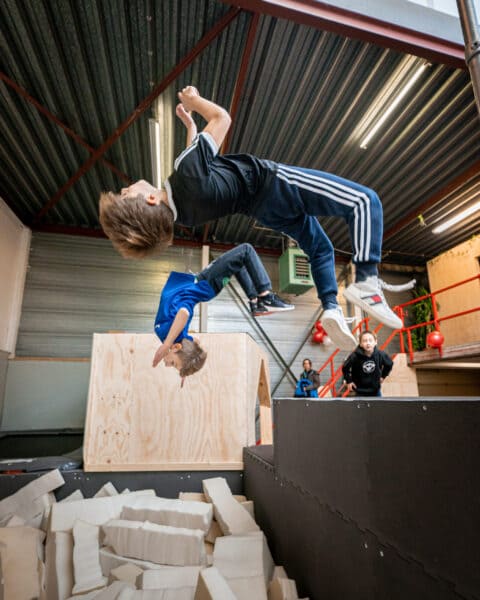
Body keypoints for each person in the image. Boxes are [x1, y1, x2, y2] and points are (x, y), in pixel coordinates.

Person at [99, 85, 403, 351]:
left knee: (320, 248)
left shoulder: (185, 215)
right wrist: (195, 102)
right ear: (151, 199)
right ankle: (366, 279)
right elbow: (221, 119)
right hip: (275, 183)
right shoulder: (186, 172)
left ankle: (332, 308)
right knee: (364, 200)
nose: (126, 187)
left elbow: (194, 160)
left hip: (265, 211)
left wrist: (190, 125)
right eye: (127, 194)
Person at [152, 242, 293, 379]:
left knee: (238, 264)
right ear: (176, 347)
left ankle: (254, 303)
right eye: (173, 363)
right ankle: (266, 296)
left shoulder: (177, 338)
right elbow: (184, 313)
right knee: (246, 250)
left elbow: (196, 341)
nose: (167, 365)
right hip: (206, 283)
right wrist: (167, 346)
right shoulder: (171, 337)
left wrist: (185, 367)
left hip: (204, 286)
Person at [342, 330, 393, 397]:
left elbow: (389, 364)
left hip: (375, 390)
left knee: (378, 407)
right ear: (360, 344)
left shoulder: (380, 355)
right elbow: (345, 367)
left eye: (370, 340)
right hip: (360, 391)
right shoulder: (355, 356)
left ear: (375, 342)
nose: (368, 343)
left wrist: (383, 376)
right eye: (365, 341)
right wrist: (349, 381)